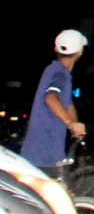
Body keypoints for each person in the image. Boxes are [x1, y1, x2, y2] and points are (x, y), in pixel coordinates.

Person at [20, 30, 89, 176]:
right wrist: (71, 124)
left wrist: (75, 127)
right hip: (44, 154)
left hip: (46, 152)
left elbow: (68, 105)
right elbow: (50, 98)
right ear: (80, 52)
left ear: (56, 49)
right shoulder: (59, 73)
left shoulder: (57, 72)